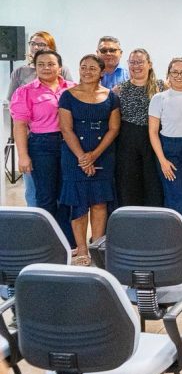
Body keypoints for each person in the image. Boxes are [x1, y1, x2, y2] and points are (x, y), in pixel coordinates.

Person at [58, 55, 121, 266]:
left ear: (101, 72)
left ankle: (97, 247)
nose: (87, 71)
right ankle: (82, 249)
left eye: (92, 68)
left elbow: (113, 128)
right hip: (73, 157)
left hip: (103, 155)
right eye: (83, 67)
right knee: (78, 204)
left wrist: (93, 156)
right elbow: (66, 129)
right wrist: (82, 158)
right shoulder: (67, 96)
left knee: (99, 202)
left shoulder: (111, 97)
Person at [10, 49, 75, 244]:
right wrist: (23, 156)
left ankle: (69, 243)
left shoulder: (72, 88)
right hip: (41, 145)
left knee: (67, 196)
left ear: (59, 67)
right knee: (46, 197)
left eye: (51, 64)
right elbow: (19, 125)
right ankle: (49, 243)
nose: (46, 68)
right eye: (41, 64)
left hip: (69, 145)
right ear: (35, 67)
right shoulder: (25, 91)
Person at [148, 57, 182, 259]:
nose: (179, 76)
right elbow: (153, 132)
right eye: (175, 72)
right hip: (169, 153)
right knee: (178, 203)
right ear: (168, 75)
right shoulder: (159, 98)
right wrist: (162, 160)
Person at [114, 48, 165, 208]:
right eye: (132, 62)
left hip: (153, 140)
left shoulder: (162, 87)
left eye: (140, 62)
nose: (136, 66)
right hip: (127, 141)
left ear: (149, 64)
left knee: (153, 184)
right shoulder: (119, 90)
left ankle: (154, 225)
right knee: (128, 185)